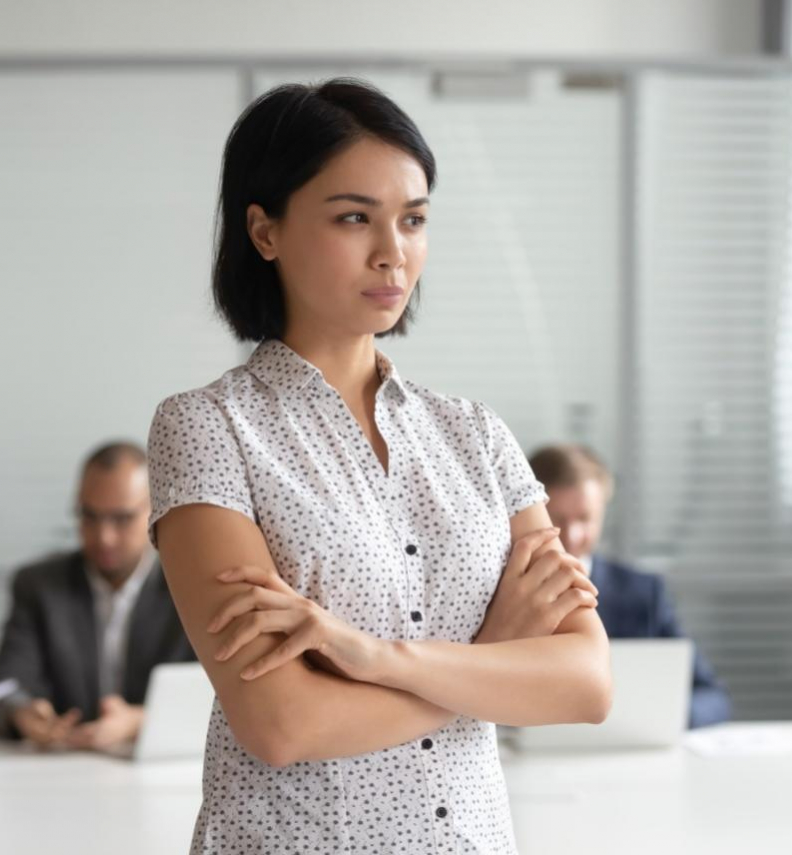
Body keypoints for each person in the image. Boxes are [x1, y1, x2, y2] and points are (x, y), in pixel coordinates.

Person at [146, 79, 611, 855]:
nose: (394, 252)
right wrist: (495, 660)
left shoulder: (476, 436)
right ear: (265, 231)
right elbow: (283, 723)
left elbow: (585, 683)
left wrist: (373, 657)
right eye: (354, 217)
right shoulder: (206, 429)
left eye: (414, 219)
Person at [0, 442, 194, 752]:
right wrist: (22, 713)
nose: (103, 536)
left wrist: (140, 721)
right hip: (61, 770)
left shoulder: (189, 586)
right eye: (89, 516)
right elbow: (3, 690)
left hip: (161, 774)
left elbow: (222, 701)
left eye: (121, 519)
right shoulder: (39, 585)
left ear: (156, 510)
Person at [528, 444, 733, 728]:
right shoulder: (501, 595)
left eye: (585, 519)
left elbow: (712, 697)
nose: (573, 536)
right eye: (558, 520)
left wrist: (659, 718)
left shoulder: (644, 593)